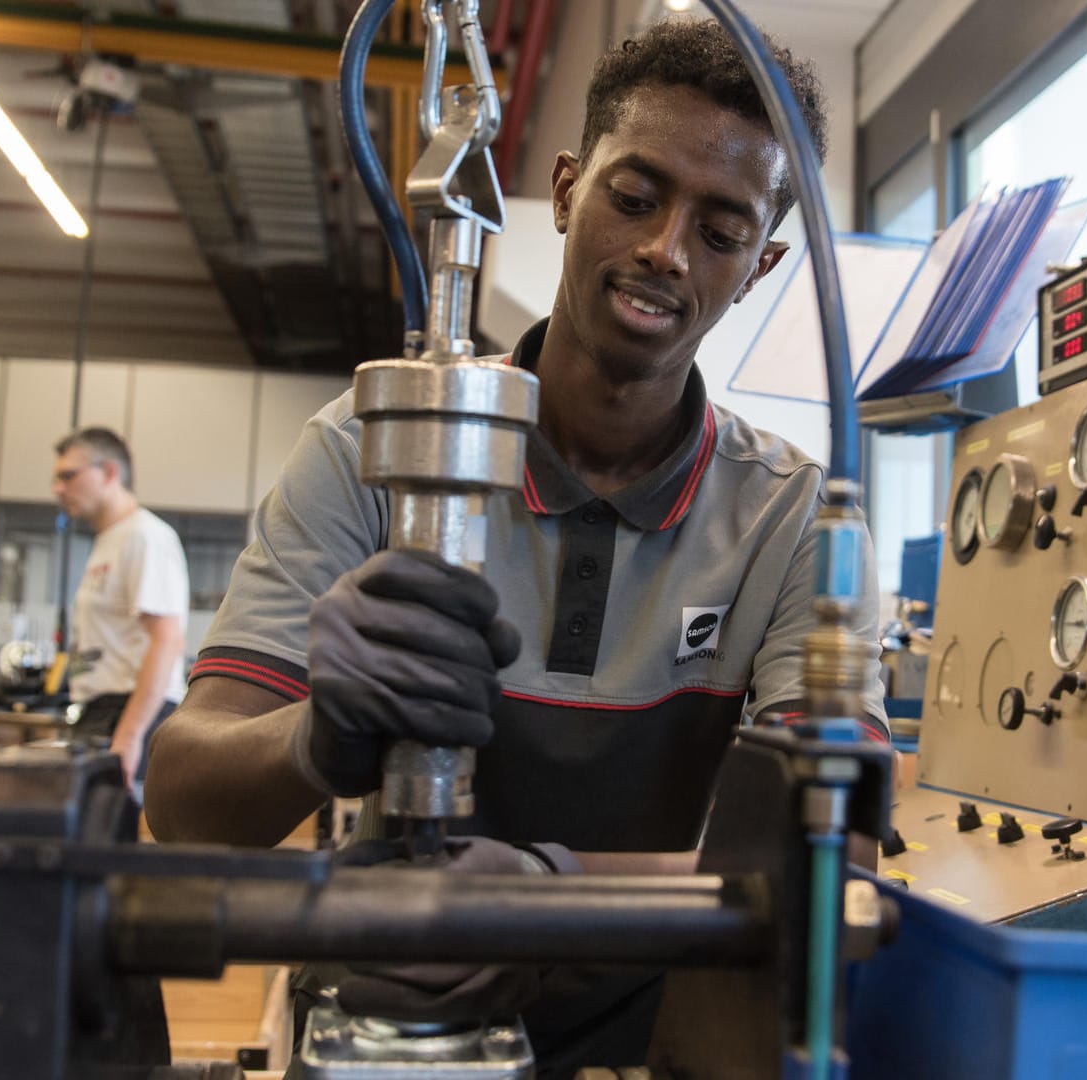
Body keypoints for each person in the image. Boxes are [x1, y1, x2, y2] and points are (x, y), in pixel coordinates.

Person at [144, 19, 888, 1075]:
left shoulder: (796, 522)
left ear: (763, 262)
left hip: (668, 1041)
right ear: (568, 187)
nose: (665, 251)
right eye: (635, 197)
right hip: (392, 1022)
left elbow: (832, 859)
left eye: (721, 232)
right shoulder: (371, 447)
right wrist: (319, 737)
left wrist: (546, 902)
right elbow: (180, 801)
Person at [52, 428, 190, 793]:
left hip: (131, 715)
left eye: (69, 475)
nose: (58, 488)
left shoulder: (145, 537)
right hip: (101, 713)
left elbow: (167, 640)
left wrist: (128, 739)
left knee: (108, 841)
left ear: (109, 473)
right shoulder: (109, 540)